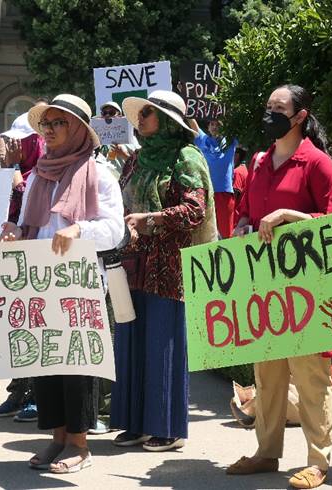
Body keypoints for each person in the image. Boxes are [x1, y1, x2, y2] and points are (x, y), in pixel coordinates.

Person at [226, 84, 332, 489]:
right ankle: (266, 452)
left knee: (312, 375)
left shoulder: (317, 163)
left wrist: (289, 214)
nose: (269, 114)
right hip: (265, 288)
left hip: (308, 290)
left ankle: (319, 461)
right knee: (268, 375)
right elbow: (244, 214)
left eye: (278, 108)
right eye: (267, 106)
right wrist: (242, 225)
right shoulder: (258, 162)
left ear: (299, 116)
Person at [0, 94, 124, 473]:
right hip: (39, 281)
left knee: (77, 364)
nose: (50, 131)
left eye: (59, 124)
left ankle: (80, 446)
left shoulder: (99, 173)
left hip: (79, 283)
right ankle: (57, 439)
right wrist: (12, 232)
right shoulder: (39, 174)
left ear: (79, 131)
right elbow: (27, 226)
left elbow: (115, 229)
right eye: (46, 124)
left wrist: (79, 229)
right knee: (46, 362)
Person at [111, 89, 217, 452]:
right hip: (131, 264)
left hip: (168, 268)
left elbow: (194, 211)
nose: (139, 121)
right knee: (131, 344)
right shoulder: (136, 160)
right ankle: (134, 423)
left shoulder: (186, 158)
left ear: (168, 122)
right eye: (140, 115)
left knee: (162, 346)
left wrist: (151, 219)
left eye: (147, 115)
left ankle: (167, 428)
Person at [0, 111, 46, 422]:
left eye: (20, 141)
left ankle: (37, 396)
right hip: (13, 259)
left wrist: (20, 183)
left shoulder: (40, 174)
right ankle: (19, 391)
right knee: (19, 329)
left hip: (37, 262)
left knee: (39, 329)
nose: (13, 145)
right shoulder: (14, 173)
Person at [191, 118, 238, 238]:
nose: (215, 127)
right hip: (205, 193)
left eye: (218, 124)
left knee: (225, 233)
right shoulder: (203, 140)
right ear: (208, 127)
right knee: (206, 232)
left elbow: (238, 125)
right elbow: (191, 122)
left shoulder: (230, 141)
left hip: (224, 193)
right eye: (212, 124)